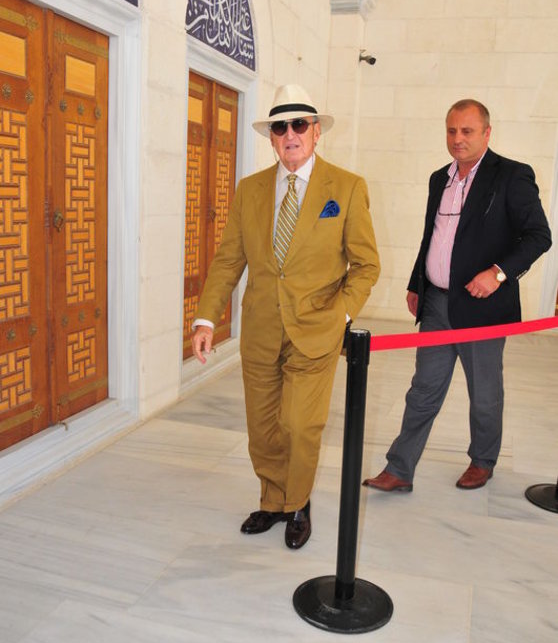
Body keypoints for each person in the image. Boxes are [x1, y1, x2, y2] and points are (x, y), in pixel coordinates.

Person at [192, 83, 380, 548]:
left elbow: (366, 265)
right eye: (280, 127)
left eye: (299, 125)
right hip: (261, 330)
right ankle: (272, 501)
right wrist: (206, 318)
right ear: (271, 137)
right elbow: (228, 260)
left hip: (316, 330)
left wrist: (341, 314)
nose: (290, 134)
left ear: (316, 132)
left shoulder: (347, 188)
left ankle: (298, 503)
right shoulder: (250, 190)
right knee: (263, 429)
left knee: (300, 426)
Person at [363, 99, 552, 494]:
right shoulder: (440, 178)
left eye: (467, 131)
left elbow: (539, 236)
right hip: (437, 303)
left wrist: (497, 273)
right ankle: (399, 469)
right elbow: (432, 237)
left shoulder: (512, 175)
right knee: (423, 389)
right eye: (451, 131)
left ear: (487, 133)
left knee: (484, 394)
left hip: (483, 307)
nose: (457, 139)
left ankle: (482, 461)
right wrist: (417, 283)